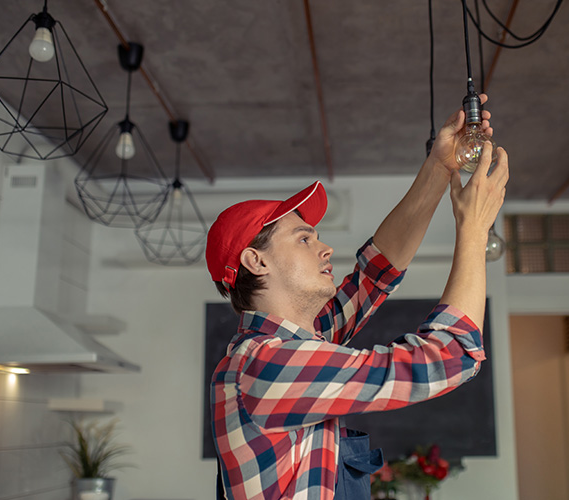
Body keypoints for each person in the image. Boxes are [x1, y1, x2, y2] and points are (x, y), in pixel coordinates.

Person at [205, 95, 509, 500]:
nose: (325, 247)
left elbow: (374, 274)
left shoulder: (287, 348)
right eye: (303, 238)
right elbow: (451, 355)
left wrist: (439, 168)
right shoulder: (268, 364)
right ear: (256, 261)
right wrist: (473, 230)